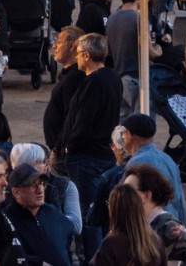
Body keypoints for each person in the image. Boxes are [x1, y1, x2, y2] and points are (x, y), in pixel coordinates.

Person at [61, 31, 122, 246]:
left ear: (87, 56)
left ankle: (94, 257)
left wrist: (70, 147)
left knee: (89, 213)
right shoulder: (113, 78)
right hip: (104, 153)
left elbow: (84, 120)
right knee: (102, 212)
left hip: (87, 156)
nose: (76, 57)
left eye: (78, 53)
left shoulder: (93, 82)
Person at [121, 113, 186, 228]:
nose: (123, 138)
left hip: (152, 230)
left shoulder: (136, 163)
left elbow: (129, 203)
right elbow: (180, 200)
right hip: (174, 224)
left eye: (124, 133)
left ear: (131, 136)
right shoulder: (167, 159)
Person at [4, 162, 74, 266]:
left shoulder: (51, 211)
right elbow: (9, 256)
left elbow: (69, 234)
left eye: (42, 184)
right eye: (33, 185)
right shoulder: (6, 220)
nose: (40, 190)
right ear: (16, 192)